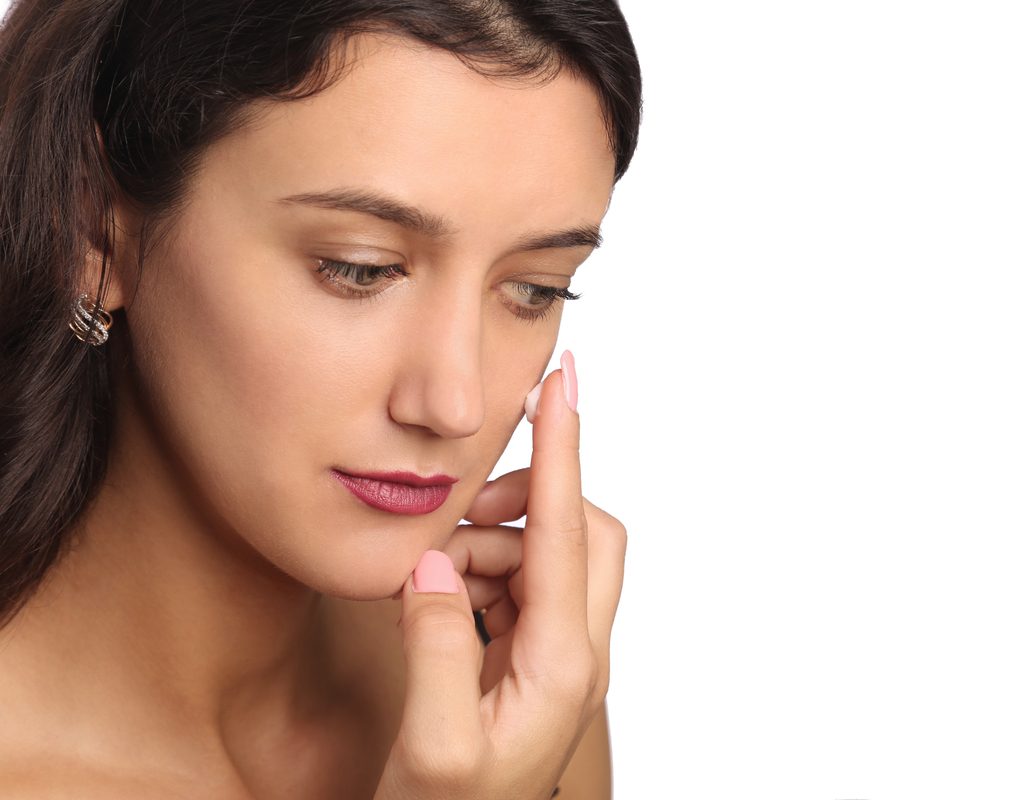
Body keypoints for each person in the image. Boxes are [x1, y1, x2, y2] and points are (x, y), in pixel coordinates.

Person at [0, 0, 641, 796]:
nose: (456, 405)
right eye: (359, 268)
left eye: (536, 289)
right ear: (94, 226)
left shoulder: (512, 694)